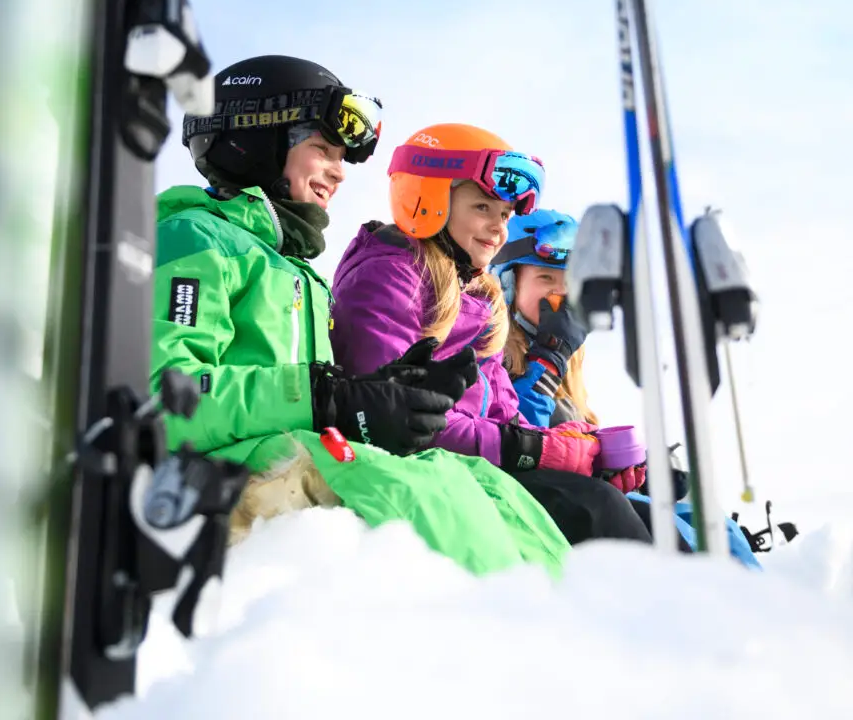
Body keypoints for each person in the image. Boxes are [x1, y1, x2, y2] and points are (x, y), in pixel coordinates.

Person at [149, 57, 569, 577]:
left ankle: (568, 619)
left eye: (342, 156)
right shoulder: (197, 241)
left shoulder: (298, 274)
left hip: (288, 459)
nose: (338, 171)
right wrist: (327, 398)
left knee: (475, 485)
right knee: (419, 493)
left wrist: (387, 395)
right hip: (209, 483)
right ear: (253, 141)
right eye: (322, 149)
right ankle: (508, 622)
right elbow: (165, 398)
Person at [330, 122, 653, 547]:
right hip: (422, 470)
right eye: (482, 207)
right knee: (597, 510)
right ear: (428, 198)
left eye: (504, 214)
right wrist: (537, 450)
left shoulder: (476, 294)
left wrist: (579, 448)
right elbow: (398, 413)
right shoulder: (389, 278)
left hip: (475, 465)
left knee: (643, 511)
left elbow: (505, 416)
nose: (498, 228)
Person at [491, 208, 762, 566]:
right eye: (545, 278)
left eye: (570, 283)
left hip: (578, 486)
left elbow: (572, 441)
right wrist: (550, 359)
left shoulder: (566, 359)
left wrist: (630, 467)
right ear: (507, 286)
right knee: (678, 540)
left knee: (717, 526)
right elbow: (509, 433)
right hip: (535, 498)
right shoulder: (495, 352)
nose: (560, 294)